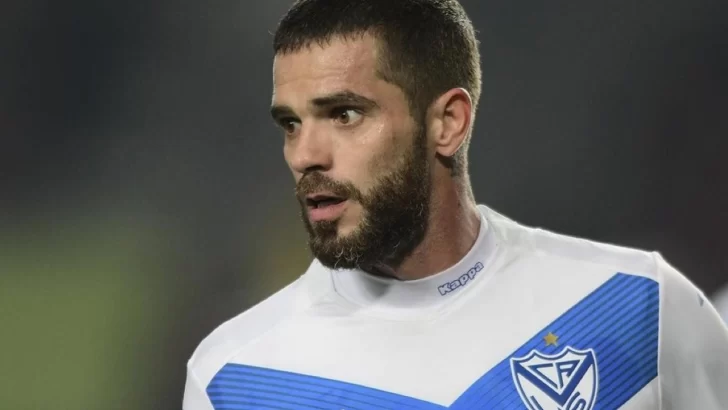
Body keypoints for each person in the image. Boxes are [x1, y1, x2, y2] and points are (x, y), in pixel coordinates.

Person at [183, 1, 728, 409]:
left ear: (448, 123)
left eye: (345, 114)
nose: (305, 155)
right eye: (291, 123)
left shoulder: (637, 306)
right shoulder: (234, 378)